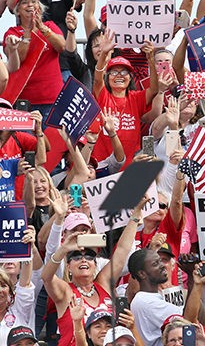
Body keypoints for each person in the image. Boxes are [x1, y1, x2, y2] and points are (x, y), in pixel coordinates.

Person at [41, 196, 145, 346]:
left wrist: (135, 214)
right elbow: (46, 277)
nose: (83, 259)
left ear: (95, 265)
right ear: (68, 267)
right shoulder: (65, 292)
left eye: (89, 256)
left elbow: (122, 250)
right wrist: (63, 249)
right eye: (76, 257)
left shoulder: (103, 284)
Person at [92, 30, 158, 166]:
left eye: (124, 72)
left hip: (130, 165)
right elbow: (98, 79)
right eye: (114, 72)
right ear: (108, 77)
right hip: (104, 165)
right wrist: (104, 53)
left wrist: (151, 58)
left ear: (130, 77)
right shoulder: (103, 95)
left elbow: (154, 90)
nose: (119, 76)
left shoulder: (136, 98)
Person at [3, 0, 65, 117]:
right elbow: (18, 60)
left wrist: (42, 28)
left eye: (34, 2)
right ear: (17, 11)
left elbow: (61, 47)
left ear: (40, 8)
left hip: (53, 99)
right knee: (25, 138)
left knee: (51, 137)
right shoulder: (12, 33)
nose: (30, 5)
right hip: (24, 101)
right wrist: (27, 34)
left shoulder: (50, 26)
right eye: (24, 2)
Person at [129, 249, 182, 346]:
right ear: (142, 274)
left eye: (161, 261)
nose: (162, 265)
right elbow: (187, 321)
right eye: (155, 264)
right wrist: (193, 281)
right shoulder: (145, 301)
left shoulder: (150, 297)